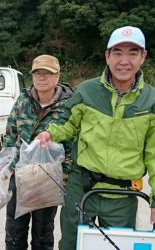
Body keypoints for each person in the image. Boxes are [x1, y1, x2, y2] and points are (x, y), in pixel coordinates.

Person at [36, 26, 155, 250]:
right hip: (81, 189)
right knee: (70, 245)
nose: (124, 60)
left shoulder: (151, 100)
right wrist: (50, 132)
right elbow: (67, 125)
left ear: (143, 57)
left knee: (116, 247)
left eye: (133, 53)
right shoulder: (86, 91)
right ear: (107, 56)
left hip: (122, 196)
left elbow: (154, 155)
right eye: (117, 52)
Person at [3, 54, 73, 250]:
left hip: (48, 179)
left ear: (57, 76)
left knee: (43, 235)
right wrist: (9, 167)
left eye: (48, 74)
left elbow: (71, 144)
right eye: (38, 73)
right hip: (20, 177)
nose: (42, 78)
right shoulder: (22, 101)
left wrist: (64, 177)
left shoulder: (68, 106)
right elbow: (10, 134)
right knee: (14, 233)